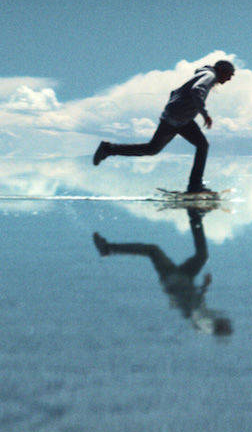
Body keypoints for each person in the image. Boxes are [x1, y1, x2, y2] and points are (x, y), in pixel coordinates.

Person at [93, 60, 234, 193]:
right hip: (175, 118)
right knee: (161, 148)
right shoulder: (209, 75)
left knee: (157, 149)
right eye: (229, 75)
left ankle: (108, 149)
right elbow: (196, 90)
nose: (229, 79)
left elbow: (176, 92)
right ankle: (195, 185)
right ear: (222, 70)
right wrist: (205, 114)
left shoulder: (205, 74)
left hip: (182, 119)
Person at [92, 208, 233, 337]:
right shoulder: (209, 324)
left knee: (153, 250)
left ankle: (108, 249)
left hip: (174, 280)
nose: (227, 320)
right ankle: (195, 217)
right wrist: (204, 288)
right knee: (202, 256)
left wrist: (204, 286)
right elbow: (197, 311)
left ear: (221, 327)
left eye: (227, 325)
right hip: (184, 280)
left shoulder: (208, 324)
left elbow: (195, 309)